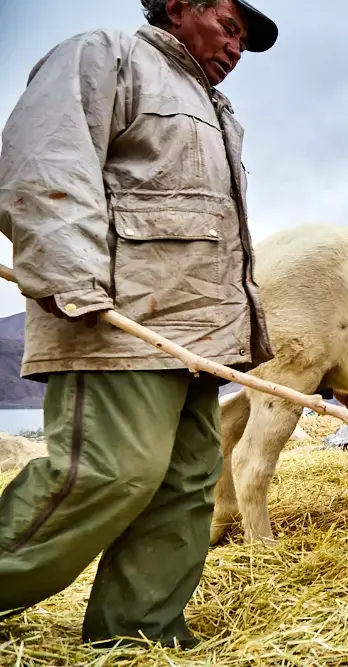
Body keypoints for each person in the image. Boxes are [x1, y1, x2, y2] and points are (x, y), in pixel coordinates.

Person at [0, 0, 278, 650]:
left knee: (184, 486)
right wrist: (74, 281)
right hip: (117, 328)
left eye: (243, 39)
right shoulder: (105, 58)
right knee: (109, 471)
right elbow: (42, 167)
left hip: (196, 341)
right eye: (230, 27)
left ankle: (138, 636)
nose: (236, 48)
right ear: (179, 5)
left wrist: (235, 336)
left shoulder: (216, 110)